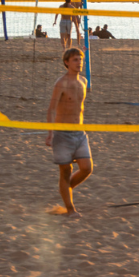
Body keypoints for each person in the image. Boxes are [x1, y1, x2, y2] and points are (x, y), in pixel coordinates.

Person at [46, 48, 93, 217]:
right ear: (66, 62)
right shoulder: (61, 83)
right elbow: (51, 109)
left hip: (79, 132)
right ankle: (70, 209)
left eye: (80, 59)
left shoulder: (84, 81)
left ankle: (65, 189)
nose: (79, 62)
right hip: (62, 134)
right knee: (65, 171)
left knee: (87, 168)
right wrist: (50, 133)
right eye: (75, 59)